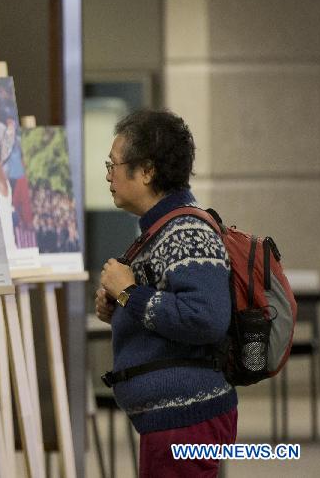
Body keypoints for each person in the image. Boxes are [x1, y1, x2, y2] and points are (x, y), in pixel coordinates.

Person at [94, 109, 235, 477]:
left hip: (183, 419)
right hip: (170, 419)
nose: (108, 175)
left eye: (113, 164)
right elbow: (163, 307)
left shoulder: (186, 230)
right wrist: (120, 306)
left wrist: (128, 294)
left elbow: (205, 318)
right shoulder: (160, 230)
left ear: (146, 170)